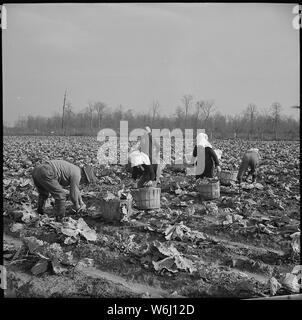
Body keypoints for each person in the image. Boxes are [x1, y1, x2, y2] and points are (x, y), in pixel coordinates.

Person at [32, 159, 96, 221]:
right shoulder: (77, 175)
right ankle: (60, 219)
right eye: (85, 181)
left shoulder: (75, 169)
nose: (83, 182)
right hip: (46, 170)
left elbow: (76, 190)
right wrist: (77, 206)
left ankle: (40, 212)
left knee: (43, 194)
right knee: (61, 195)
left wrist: (81, 202)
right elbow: (73, 194)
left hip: (37, 170)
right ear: (84, 176)